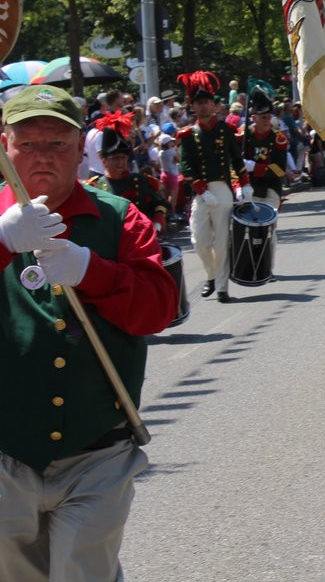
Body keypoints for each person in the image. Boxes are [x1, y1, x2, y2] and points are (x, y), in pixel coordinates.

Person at [0, 84, 177, 582]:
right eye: (27, 143)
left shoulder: (119, 218)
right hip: (6, 451)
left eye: (58, 144)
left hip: (97, 451)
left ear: (81, 150)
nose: (42, 156)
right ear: (5, 145)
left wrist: (91, 271)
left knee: (84, 573)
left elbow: (158, 310)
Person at [177, 71, 251, 303]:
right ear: (193, 106)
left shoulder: (226, 131)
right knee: (199, 241)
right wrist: (201, 190)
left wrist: (245, 184)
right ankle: (211, 275)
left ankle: (221, 287)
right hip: (202, 192)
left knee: (220, 241)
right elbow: (186, 167)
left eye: (207, 102)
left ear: (214, 104)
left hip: (222, 188)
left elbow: (236, 160)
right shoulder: (188, 135)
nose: (204, 106)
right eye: (199, 103)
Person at [86, 111, 168, 234]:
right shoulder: (95, 187)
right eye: (115, 158)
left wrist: (158, 220)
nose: (121, 162)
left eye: (123, 158)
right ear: (104, 161)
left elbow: (160, 204)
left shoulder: (139, 180)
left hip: (141, 239)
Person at [241, 82, 289, 210]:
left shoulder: (278, 138)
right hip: (249, 185)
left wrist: (255, 167)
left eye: (269, 117)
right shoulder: (244, 136)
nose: (267, 121)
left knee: (267, 220)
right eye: (263, 118)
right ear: (254, 118)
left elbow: (280, 170)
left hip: (270, 184)